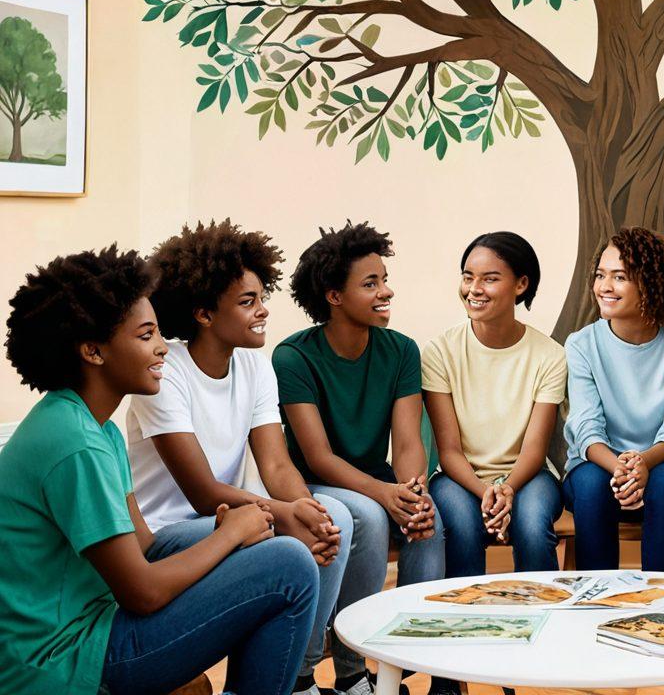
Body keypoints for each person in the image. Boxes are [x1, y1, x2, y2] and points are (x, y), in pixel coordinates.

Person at [0, 246, 318, 694]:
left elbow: (145, 547)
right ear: (93, 351)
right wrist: (228, 536)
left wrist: (229, 536)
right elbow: (142, 592)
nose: (162, 348)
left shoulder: (96, 429)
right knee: (288, 569)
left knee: (269, 555)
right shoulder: (75, 444)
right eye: (146, 335)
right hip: (59, 660)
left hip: (93, 627)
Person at [127, 220, 354, 695]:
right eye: (248, 302)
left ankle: (299, 677)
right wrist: (282, 514)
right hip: (170, 529)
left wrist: (305, 511)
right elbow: (202, 491)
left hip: (229, 514)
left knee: (333, 518)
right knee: (283, 543)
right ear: (205, 313)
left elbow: (275, 466)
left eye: (261, 297)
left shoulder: (253, 363)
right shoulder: (165, 373)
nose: (263, 311)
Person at [275, 221, 445, 695]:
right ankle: (339, 671)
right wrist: (384, 494)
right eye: (370, 283)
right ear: (333, 296)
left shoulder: (401, 350)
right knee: (369, 515)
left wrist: (413, 493)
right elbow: (318, 455)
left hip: (379, 482)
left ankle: (408, 663)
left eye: (384, 279)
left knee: (431, 523)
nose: (385, 291)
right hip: (314, 484)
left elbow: (409, 441)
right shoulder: (294, 358)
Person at [562, 227, 664, 572]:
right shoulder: (581, 345)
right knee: (591, 485)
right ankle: (595, 602)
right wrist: (621, 469)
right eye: (600, 275)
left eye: (620, 277)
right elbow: (585, 425)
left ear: (652, 282)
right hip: (601, 469)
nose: (604, 287)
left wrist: (644, 463)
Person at [424, 232, 566, 577]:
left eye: (490, 279)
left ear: (521, 284)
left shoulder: (549, 355)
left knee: (532, 528)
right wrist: (486, 491)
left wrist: (508, 489)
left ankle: (543, 617)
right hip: (457, 477)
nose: (474, 288)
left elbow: (534, 448)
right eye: (468, 276)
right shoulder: (439, 352)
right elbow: (449, 450)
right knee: (463, 528)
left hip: (529, 476)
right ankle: (463, 624)